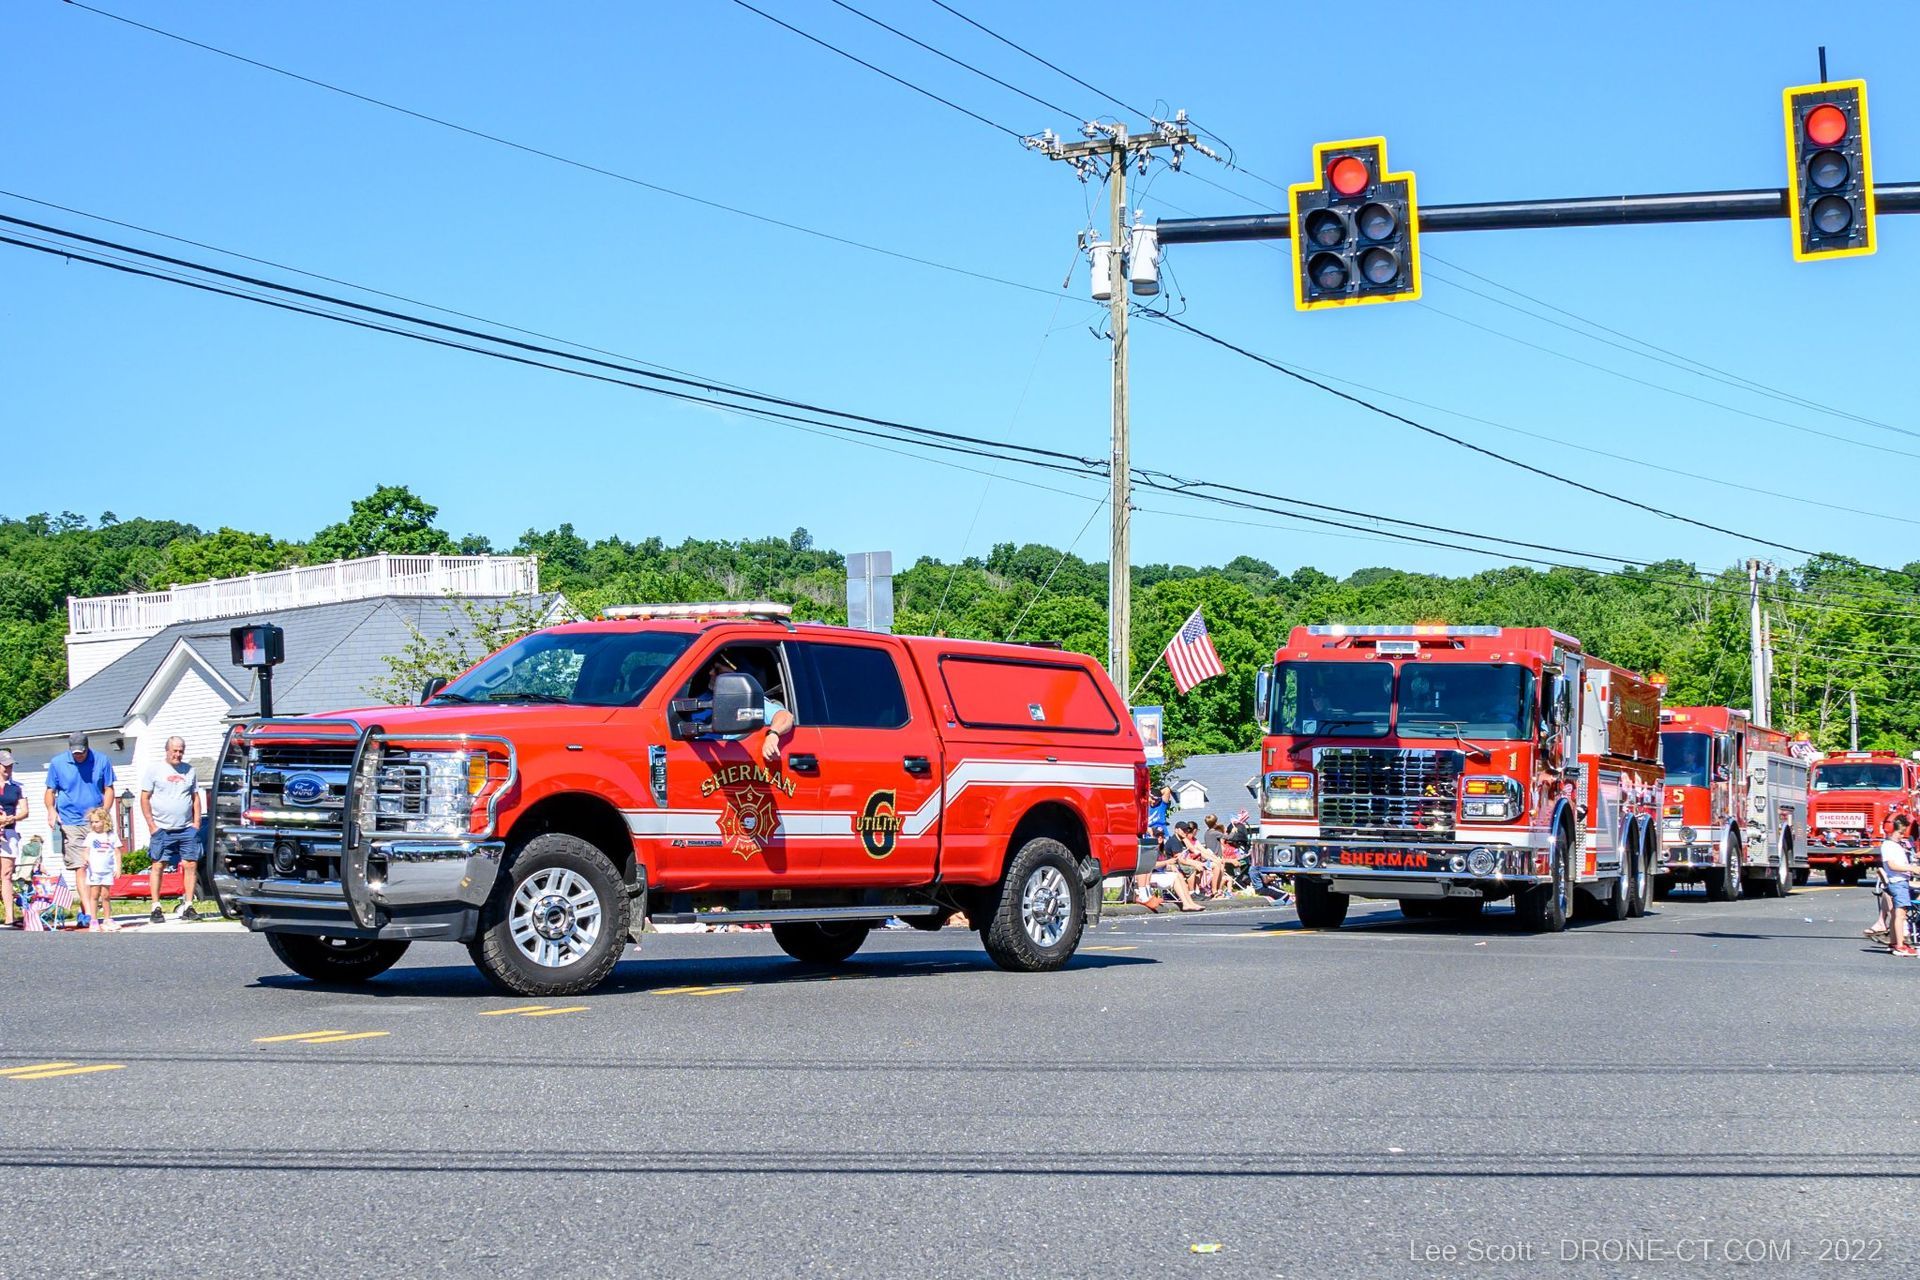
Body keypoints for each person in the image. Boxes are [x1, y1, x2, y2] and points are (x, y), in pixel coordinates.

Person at [44, 732, 115, 930]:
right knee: (81, 865)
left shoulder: (101, 760)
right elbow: (50, 791)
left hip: (95, 822)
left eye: (82, 752)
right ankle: (90, 913)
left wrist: (104, 813)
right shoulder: (58, 763)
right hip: (70, 821)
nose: (79, 756)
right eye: (75, 753)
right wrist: (51, 811)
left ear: (87, 747)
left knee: (100, 864)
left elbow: (109, 788)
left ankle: (100, 909)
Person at [140, 736, 204, 924]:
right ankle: (156, 907)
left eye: (181, 751)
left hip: (186, 828)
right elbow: (144, 798)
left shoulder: (189, 770)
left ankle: (188, 905)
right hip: (162, 828)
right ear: (167, 750)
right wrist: (152, 825)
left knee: (190, 864)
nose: (177, 754)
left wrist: (196, 823)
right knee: (158, 865)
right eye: (174, 750)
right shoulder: (154, 770)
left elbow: (195, 797)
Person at [693, 649, 794, 767]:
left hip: (726, 762)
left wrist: (773, 734)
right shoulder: (705, 697)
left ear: (738, 679)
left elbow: (785, 716)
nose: (711, 673)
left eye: (718, 671)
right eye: (712, 668)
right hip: (698, 758)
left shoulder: (752, 702)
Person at [79, 807, 122, 933]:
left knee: (106, 895)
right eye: (92, 822)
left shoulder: (112, 836)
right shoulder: (91, 836)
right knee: (94, 895)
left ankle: (107, 919)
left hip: (107, 870)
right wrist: (86, 859)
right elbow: (85, 851)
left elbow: (117, 853)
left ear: (105, 821)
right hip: (94, 871)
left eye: (97, 821)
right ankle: (93, 920)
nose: (94, 824)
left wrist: (118, 867)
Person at [1881, 814, 1917, 958]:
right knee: (1900, 915)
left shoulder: (1895, 845)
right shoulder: (1888, 846)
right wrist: (1912, 868)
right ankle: (1901, 946)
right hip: (1897, 882)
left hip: (1899, 881)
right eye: (1900, 833)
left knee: (1897, 913)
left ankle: (1894, 942)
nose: (1902, 836)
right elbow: (1892, 865)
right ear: (1891, 830)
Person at [0, 749, 25, 928]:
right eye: (5, 766)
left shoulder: (17, 787)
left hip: (9, 832)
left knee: (7, 873)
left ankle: (10, 916)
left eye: (10, 766)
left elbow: (24, 810)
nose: (8, 769)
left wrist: (13, 818)